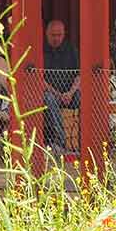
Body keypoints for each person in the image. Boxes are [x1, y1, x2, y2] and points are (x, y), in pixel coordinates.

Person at [42, 18, 79, 153]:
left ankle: (84, 141)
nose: (56, 38)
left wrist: (70, 92)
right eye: (53, 35)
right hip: (52, 94)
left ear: (64, 34)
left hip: (70, 93)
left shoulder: (71, 50)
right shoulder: (40, 50)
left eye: (59, 35)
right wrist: (58, 94)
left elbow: (79, 75)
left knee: (84, 97)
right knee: (48, 98)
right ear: (46, 34)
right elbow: (39, 80)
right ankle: (61, 143)